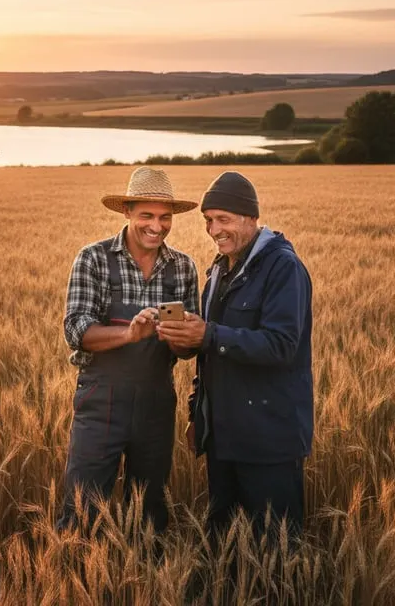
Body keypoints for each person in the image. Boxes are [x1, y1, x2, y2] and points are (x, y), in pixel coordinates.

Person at [157, 171, 313, 541]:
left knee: (276, 553)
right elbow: (210, 358)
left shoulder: (283, 268)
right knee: (224, 545)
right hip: (224, 439)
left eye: (223, 220)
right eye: (209, 221)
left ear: (250, 217)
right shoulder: (219, 271)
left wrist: (208, 334)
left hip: (268, 439)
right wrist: (199, 414)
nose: (214, 230)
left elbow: (281, 346)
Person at [58, 167, 200, 533]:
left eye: (165, 217)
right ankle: (75, 579)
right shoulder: (94, 258)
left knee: (150, 509)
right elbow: (76, 330)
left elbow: (187, 354)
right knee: (82, 507)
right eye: (147, 216)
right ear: (127, 212)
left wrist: (184, 337)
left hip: (156, 402)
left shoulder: (183, 267)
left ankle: (146, 583)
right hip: (100, 400)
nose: (157, 226)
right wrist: (129, 335)